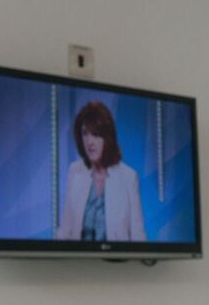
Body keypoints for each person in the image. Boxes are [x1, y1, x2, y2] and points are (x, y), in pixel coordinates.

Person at [57, 101, 146, 242]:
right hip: (77, 262)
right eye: (85, 134)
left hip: (118, 263)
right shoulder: (75, 171)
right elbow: (65, 230)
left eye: (96, 134)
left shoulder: (129, 177)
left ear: (107, 138)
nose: (89, 142)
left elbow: (138, 236)